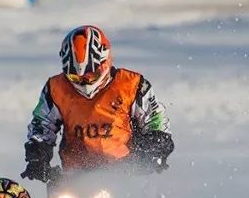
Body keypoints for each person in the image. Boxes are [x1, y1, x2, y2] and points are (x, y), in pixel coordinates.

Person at [22, 25, 174, 183]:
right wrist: (37, 158)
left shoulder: (133, 85)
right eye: (76, 77)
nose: (85, 81)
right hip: (73, 179)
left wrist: (154, 148)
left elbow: (156, 121)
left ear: (105, 62)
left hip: (128, 174)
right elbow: (41, 125)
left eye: (92, 75)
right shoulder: (55, 89)